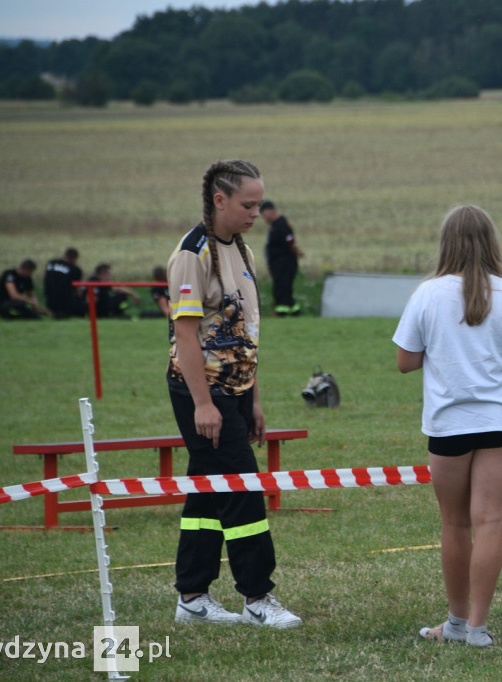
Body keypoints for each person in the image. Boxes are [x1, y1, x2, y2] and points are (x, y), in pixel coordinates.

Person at [393, 205, 502, 647]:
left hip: (448, 424)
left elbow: (405, 362)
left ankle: (457, 623)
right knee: (490, 521)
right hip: (500, 421)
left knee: (454, 524)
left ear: (446, 243)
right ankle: (477, 628)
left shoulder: (427, 294)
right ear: (492, 242)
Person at [166, 159, 301, 628]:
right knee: (244, 488)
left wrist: (254, 399)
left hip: (237, 389)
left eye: (259, 203)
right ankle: (258, 597)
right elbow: (185, 335)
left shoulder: (241, 249)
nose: (255, 212)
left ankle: (192, 597)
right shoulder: (193, 252)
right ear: (219, 200)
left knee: (206, 491)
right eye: (247, 204)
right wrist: (204, 403)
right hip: (201, 389)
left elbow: (244, 331)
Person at [260, 199, 303, 317]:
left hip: (284, 263)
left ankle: (281, 312)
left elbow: (290, 241)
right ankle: (295, 311)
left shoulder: (281, 225)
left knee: (281, 288)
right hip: (279, 263)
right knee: (284, 289)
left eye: (264, 215)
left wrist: (297, 251)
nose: (264, 219)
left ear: (271, 211)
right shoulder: (276, 225)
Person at [44, 247, 88, 319]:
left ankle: (56, 313)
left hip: (49, 301)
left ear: (65, 255)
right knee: (84, 305)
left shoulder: (51, 263)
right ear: (75, 259)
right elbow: (78, 290)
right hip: (66, 302)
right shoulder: (75, 269)